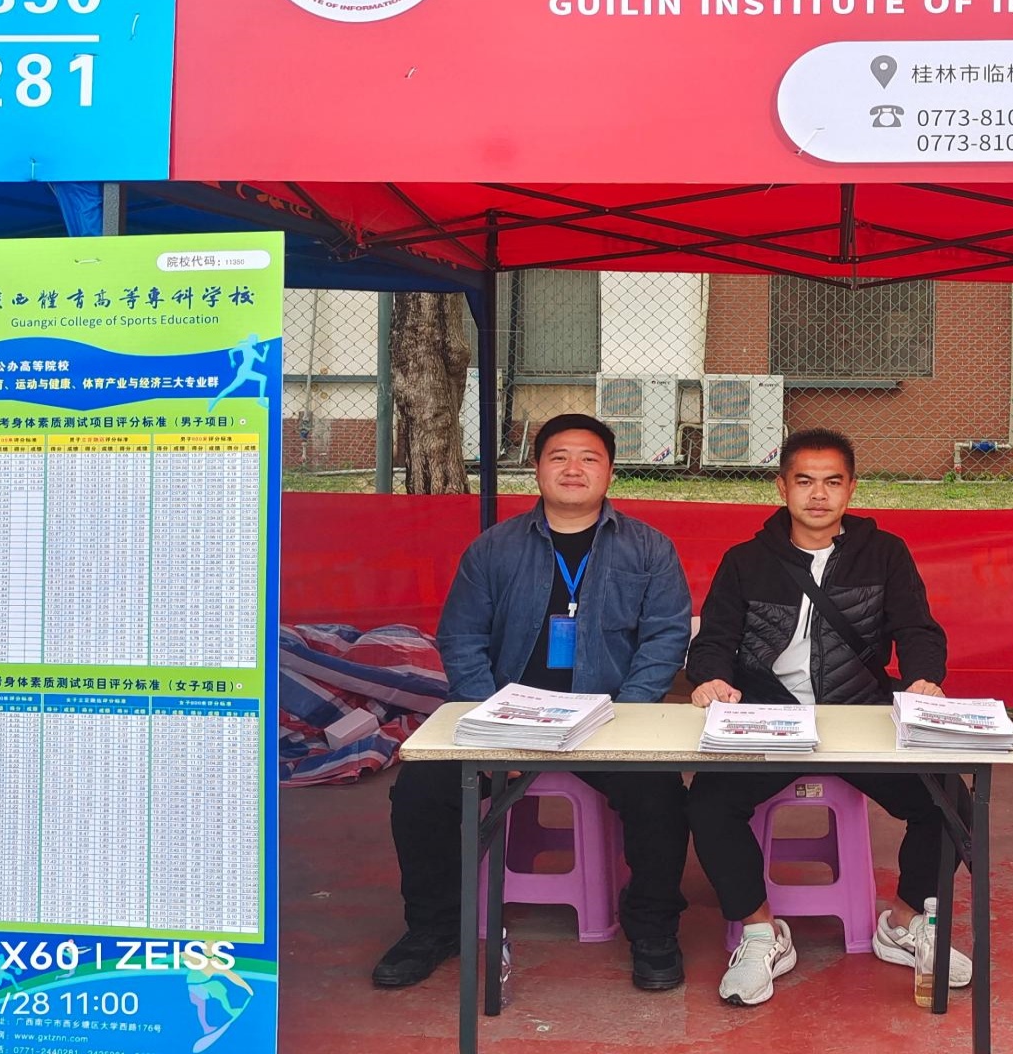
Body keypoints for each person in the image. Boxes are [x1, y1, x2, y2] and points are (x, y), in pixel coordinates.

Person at [373, 413, 694, 991]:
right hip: (507, 719)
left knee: (661, 796)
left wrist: (625, 715)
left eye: (589, 458)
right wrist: (492, 725)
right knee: (420, 792)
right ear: (536, 468)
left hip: (609, 718)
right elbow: (462, 638)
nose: (574, 468)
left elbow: (665, 638)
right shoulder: (493, 549)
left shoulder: (650, 549)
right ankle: (435, 926)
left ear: (610, 472)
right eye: (559, 456)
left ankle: (652, 928)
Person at [685, 428, 973, 1007]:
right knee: (709, 804)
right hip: (769, 717)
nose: (818, 495)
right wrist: (709, 678)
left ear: (851, 489)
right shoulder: (745, 561)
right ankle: (761, 931)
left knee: (949, 800)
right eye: (805, 481)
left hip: (857, 713)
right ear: (782, 487)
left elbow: (917, 629)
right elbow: (714, 638)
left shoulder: (884, 553)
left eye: (832, 482)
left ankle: (905, 921)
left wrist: (924, 678)